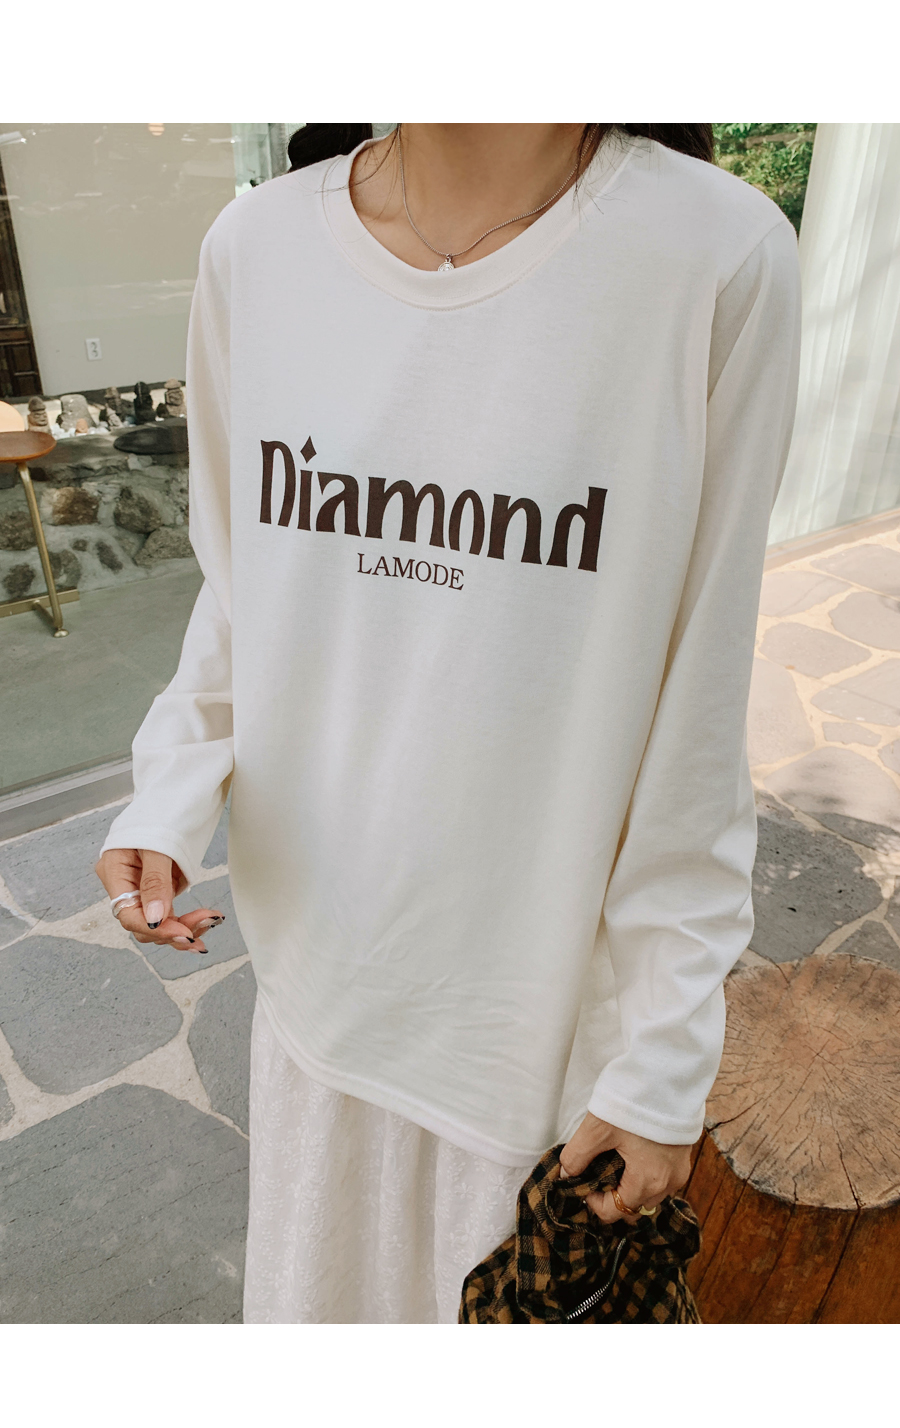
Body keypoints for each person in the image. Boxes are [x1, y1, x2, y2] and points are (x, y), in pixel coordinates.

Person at [96, 123, 801, 1323]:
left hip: (533, 1044)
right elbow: (244, 584)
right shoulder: (256, 249)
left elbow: (699, 691)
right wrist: (171, 788)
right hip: (321, 1000)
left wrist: (666, 1048)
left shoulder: (713, 256)